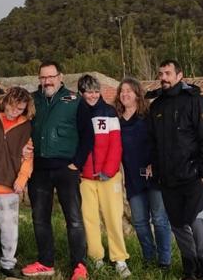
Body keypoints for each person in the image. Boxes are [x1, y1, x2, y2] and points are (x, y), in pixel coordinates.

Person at [147, 60, 203, 280]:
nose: (164, 78)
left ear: (180, 75)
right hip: (167, 180)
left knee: (197, 224)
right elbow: (153, 143)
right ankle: (191, 271)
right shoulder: (156, 106)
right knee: (178, 227)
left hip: (193, 177)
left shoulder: (196, 102)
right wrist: (157, 172)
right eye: (161, 74)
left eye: (168, 73)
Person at [22, 60, 93, 280]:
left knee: (73, 218)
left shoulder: (74, 100)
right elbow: (22, 127)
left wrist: (77, 163)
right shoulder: (33, 100)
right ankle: (45, 262)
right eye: (43, 77)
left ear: (60, 76)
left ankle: (79, 265)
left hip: (66, 168)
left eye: (51, 76)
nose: (47, 81)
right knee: (39, 217)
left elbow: (88, 135)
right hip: (39, 170)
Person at [0, 86, 35, 278]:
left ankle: (8, 264)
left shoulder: (26, 125)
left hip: (10, 187)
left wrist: (22, 178)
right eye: (12, 107)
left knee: (10, 230)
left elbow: (28, 157)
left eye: (19, 109)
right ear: (5, 101)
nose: (14, 112)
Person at [77, 74, 131, 278]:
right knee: (89, 218)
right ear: (81, 93)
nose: (92, 95)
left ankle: (119, 259)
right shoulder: (76, 113)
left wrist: (108, 171)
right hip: (85, 177)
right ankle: (96, 257)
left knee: (113, 218)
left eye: (95, 91)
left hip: (108, 176)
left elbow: (116, 145)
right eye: (88, 92)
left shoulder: (109, 112)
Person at [116, 77, 171, 269]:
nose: (125, 94)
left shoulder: (149, 116)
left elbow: (160, 142)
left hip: (153, 175)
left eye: (129, 90)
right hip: (132, 177)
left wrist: (154, 164)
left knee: (159, 219)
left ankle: (164, 261)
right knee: (139, 222)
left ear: (138, 94)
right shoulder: (117, 120)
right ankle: (149, 258)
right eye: (122, 91)